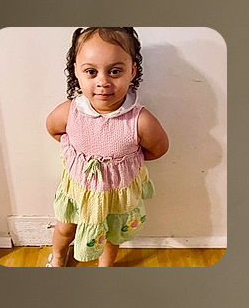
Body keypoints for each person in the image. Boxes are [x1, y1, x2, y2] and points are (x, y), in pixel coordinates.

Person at [45, 27, 168, 267]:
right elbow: (53, 129)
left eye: (115, 71)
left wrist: (122, 163)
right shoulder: (69, 112)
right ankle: (59, 257)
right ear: (76, 72)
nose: (103, 82)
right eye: (91, 72)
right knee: (65, 229)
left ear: (132, 71)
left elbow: (158, 148)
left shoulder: (140, 120)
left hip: (114, 195)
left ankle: (106, 268)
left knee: (110, 236)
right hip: (78, 191)